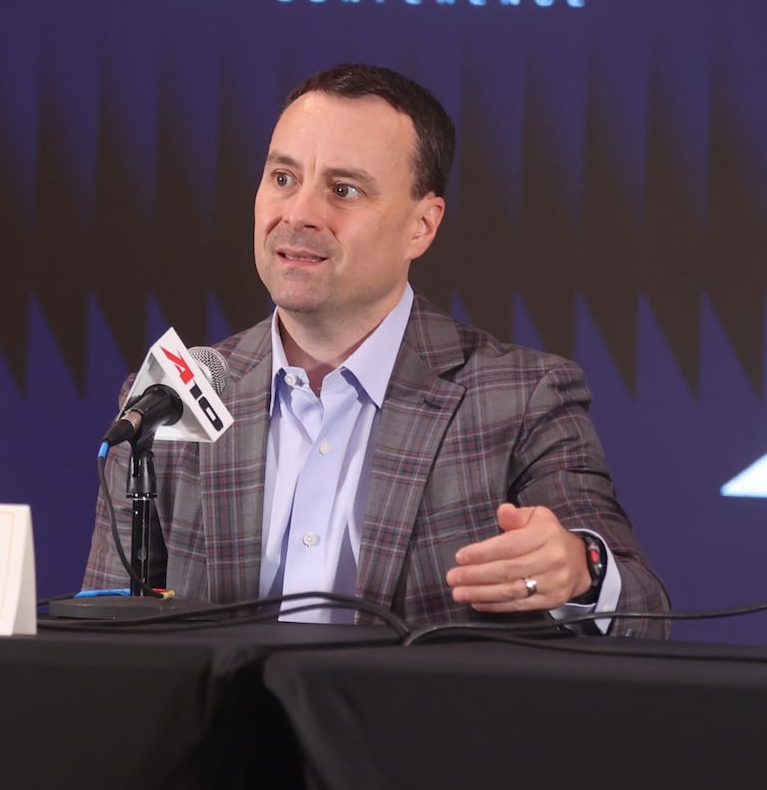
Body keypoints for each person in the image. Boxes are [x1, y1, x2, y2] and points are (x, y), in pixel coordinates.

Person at [81, 63, 669, 635]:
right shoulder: (170, 397)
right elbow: (107, 643)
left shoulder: (519, 399)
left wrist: (579, 571)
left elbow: (645, 613)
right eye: (283, 178)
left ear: (422, 225)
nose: (299, 213)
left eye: (344, 189)